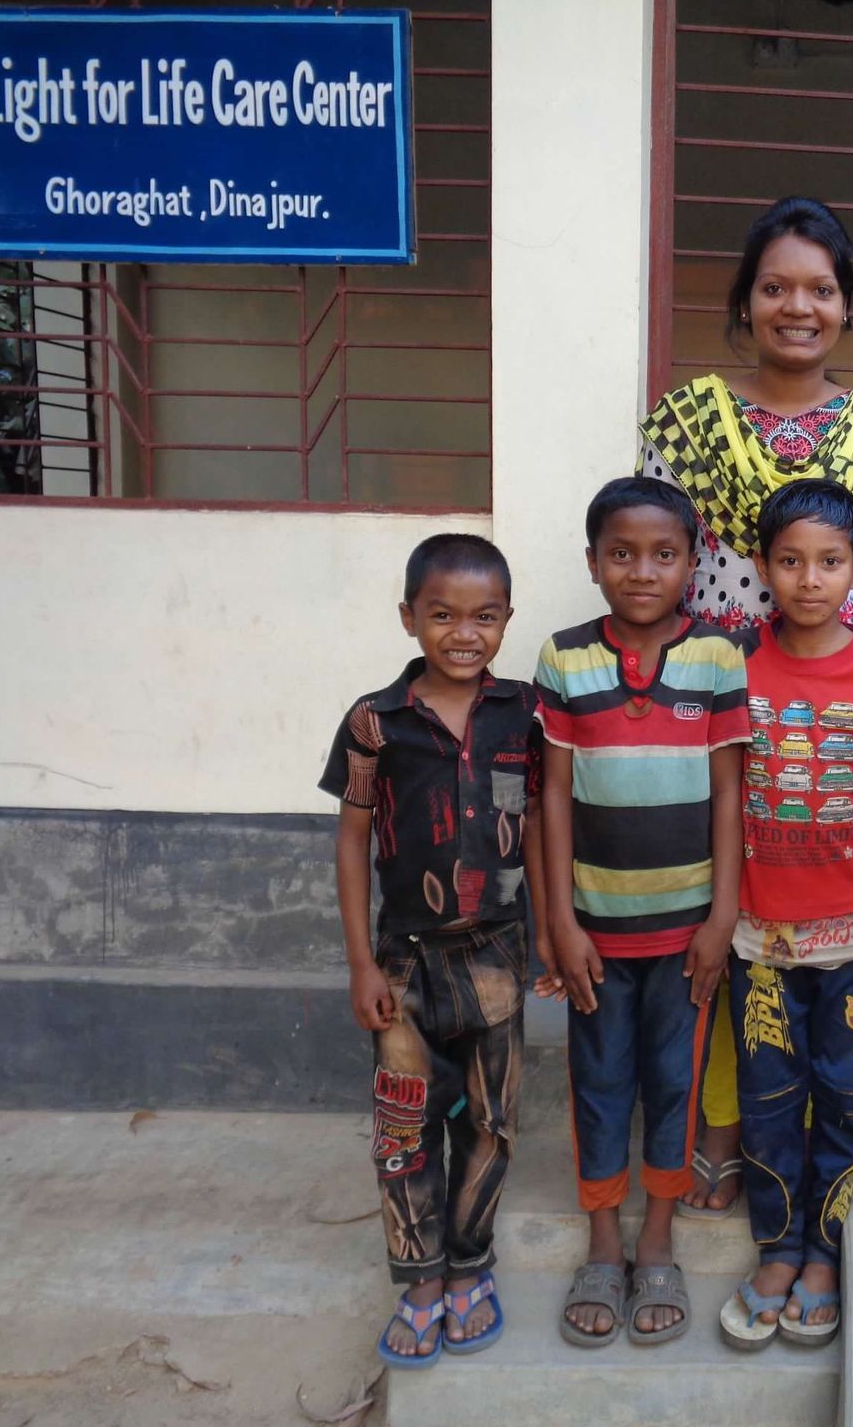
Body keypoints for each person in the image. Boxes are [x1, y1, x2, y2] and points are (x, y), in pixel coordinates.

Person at [638, 195, 853, 1219]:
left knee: (802, 919)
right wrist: (663, 698)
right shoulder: (687, 421)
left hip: (837, 716)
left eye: (820, 289)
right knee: (714, 917)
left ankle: (805, 1135)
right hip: (712, 702)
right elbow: (657, 561)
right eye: (776, 287)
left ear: (846, 307)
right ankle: (715, 1123)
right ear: (745, 300)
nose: (797, 306)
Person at [322, 533, 550, 1370]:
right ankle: (418, 1282)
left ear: (506, 621)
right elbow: (350, 842)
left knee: (491, 1122)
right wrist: (359, 963)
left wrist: (555, 935)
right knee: (404, 1126)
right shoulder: (375, 721)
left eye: (484, 616)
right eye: (443, 614)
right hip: (404, 964)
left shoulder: (526, 713)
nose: (464, 632)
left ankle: (470, 1268)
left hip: (495, 955)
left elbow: (548, 825)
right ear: (410, 617)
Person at [534, 478, 751, 1349]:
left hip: (686, 934)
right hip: (594, 932)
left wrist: (720, 919)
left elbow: (731, 793)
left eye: (663, 555)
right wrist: (560, 921)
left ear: (692, 565)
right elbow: (552, 797)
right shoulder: (564, 658)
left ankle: (655, 1241)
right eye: (621, 554)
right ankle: (600, 1242)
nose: (642, 571)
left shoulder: (716, 659)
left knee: (674, 1081)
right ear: (592, 563)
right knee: (599, 1081)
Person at [713, 480, 853, 1352]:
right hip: (758, 933)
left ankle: (826, 1255)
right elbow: (713, 793)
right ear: (761, 567)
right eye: (790, 561)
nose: (808, 580)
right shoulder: (731, 662)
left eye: (829, 562)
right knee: (768, 1099)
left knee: (843, 1097)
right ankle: (776, 1247)